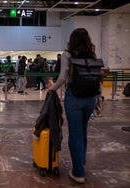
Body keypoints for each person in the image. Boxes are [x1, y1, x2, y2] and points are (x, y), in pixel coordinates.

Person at [49, 28, 98, 184]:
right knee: (83, 131)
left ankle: (78, 172)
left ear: (72, 39)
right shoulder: (92, 55)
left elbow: (63, 77)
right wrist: (100, 100)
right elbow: (97, 78)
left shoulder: (67, 55)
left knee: (75, 133)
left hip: (75, 97)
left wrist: (53, 88)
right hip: (91, 98)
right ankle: (81, 162)